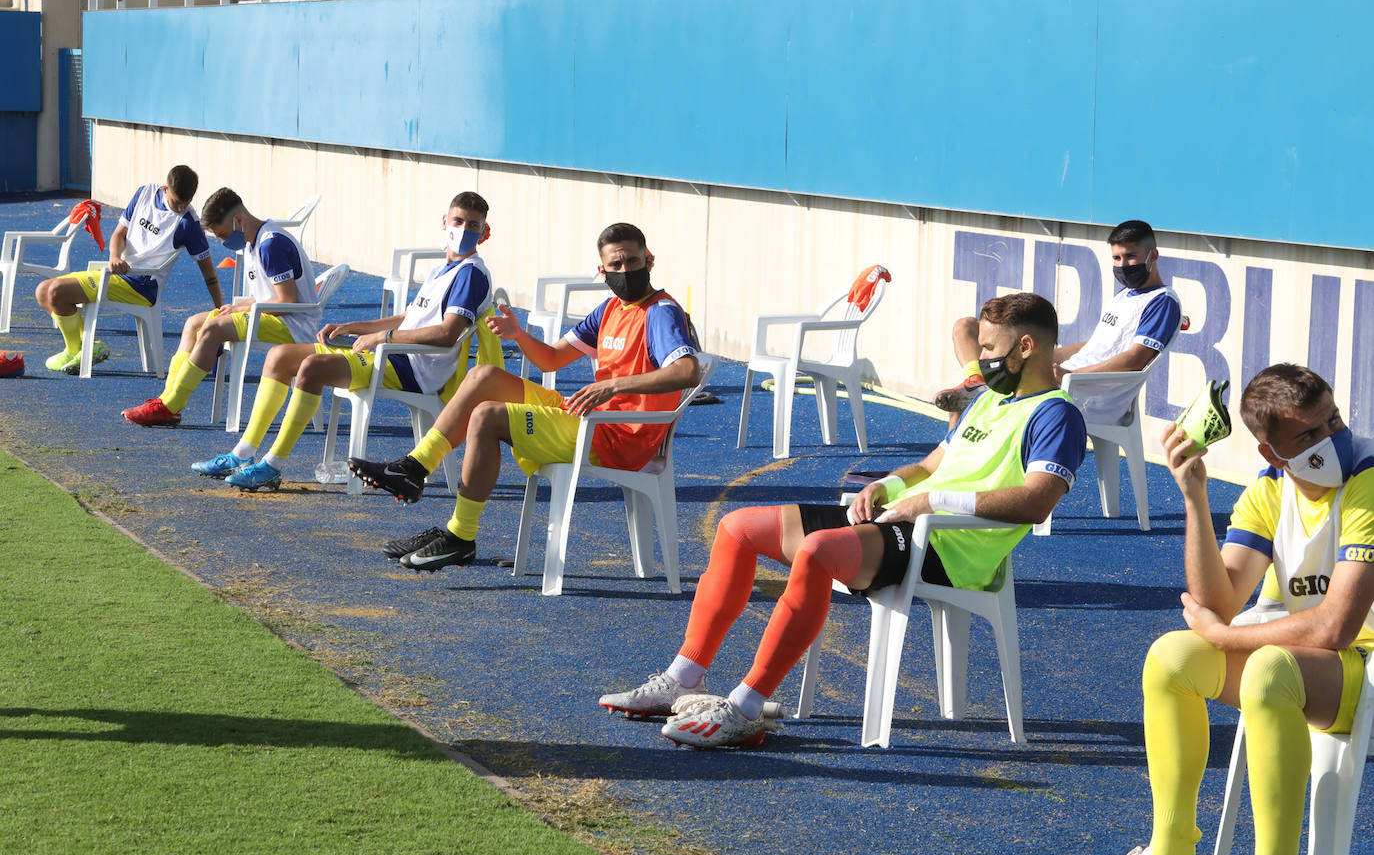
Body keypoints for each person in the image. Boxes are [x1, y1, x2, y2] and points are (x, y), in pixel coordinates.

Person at [598, 292, 1086, 749]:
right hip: (904, 521)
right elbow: (932, 463)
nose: (980, 360)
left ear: (1026, 346)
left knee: (817, 552)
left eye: (990, 349)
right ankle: (685, 676)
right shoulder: (989, 397)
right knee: (737, 528)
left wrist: (931, 503)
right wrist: (888, 486)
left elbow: (1036, 501)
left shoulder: (1057, 415)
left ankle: (745, 710)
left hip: (948, 548)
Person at [1112, 364, 1374, 855]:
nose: (1334, 438)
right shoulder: (1272, 487)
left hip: (1360, 669)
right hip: (1319, 671)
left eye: (1334, 421)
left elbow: (1335, 627)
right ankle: (1170, 854)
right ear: (1272, 453)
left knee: (1270, 670)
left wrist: (1224, 637)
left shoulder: (1368, 477)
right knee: (1172, 657)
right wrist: (1194, 496)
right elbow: (1220, 602)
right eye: (1311, 434)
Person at [349, 221, 701, 571]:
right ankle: (414, 468)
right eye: (616, 266)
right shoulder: (609, 309)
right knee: (483, 376)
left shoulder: (661, 312)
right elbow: (552, 357)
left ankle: (460, 537)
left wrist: (612, 386)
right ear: (602, 271)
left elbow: (688, 371)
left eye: (633, 262)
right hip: (586, 416)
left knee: (487, 416)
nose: (625, 271)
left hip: (617, 435)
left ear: (649, 260)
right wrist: (519, 335)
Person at [191, 191, 496, 492]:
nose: (464, 230)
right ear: (445, 222)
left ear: (484, 233)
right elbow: (408, 318)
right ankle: (241, 454)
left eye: (473, 225)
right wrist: (353, 327)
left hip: (413, 368)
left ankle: (272, 466)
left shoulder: (471, 274)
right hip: (394, 353)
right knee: (280, 356)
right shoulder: (441, 268)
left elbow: (447, 335)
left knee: (312, 367)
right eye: (459, 221)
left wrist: (382, 337)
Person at [934, 220, 1180, 422]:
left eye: (1130, 257)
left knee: (972, 406)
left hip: (1091, 395)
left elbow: (1136, 360)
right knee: (966, 330)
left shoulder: (1163, 301)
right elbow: (1094, 346)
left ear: (1153, 255)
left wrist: (1069, 374)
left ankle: (964, 469)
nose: (1122, 265)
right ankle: (975, 381)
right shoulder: (1124, 295)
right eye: (1116, 258)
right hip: (1066, 380)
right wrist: (1047, 356)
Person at [120, 187, 322, 427]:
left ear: (238, 220)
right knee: (194, 323)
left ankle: (171, 405)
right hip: (273, 317)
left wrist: (240, 310)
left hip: (293, 325)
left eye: (224, 235)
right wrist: (237, 307)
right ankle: (167, 401)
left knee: (212, 329)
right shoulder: (251, 242)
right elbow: (265, 297)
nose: (224, 241)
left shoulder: (270, 245)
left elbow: (288, 302)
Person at [35, 166, 220, 374]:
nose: (181, 207)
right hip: (118, 276)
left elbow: (210, 273)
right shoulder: (144, 193)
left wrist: (220, 311)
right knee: (43, 291)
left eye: (186, 202)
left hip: (142, 286)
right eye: (177, 201)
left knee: (55, 291)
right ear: (165, 188)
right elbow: (118, 235)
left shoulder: (189, 223)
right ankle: (79, 348)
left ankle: (80, 349)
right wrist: (114, 257)